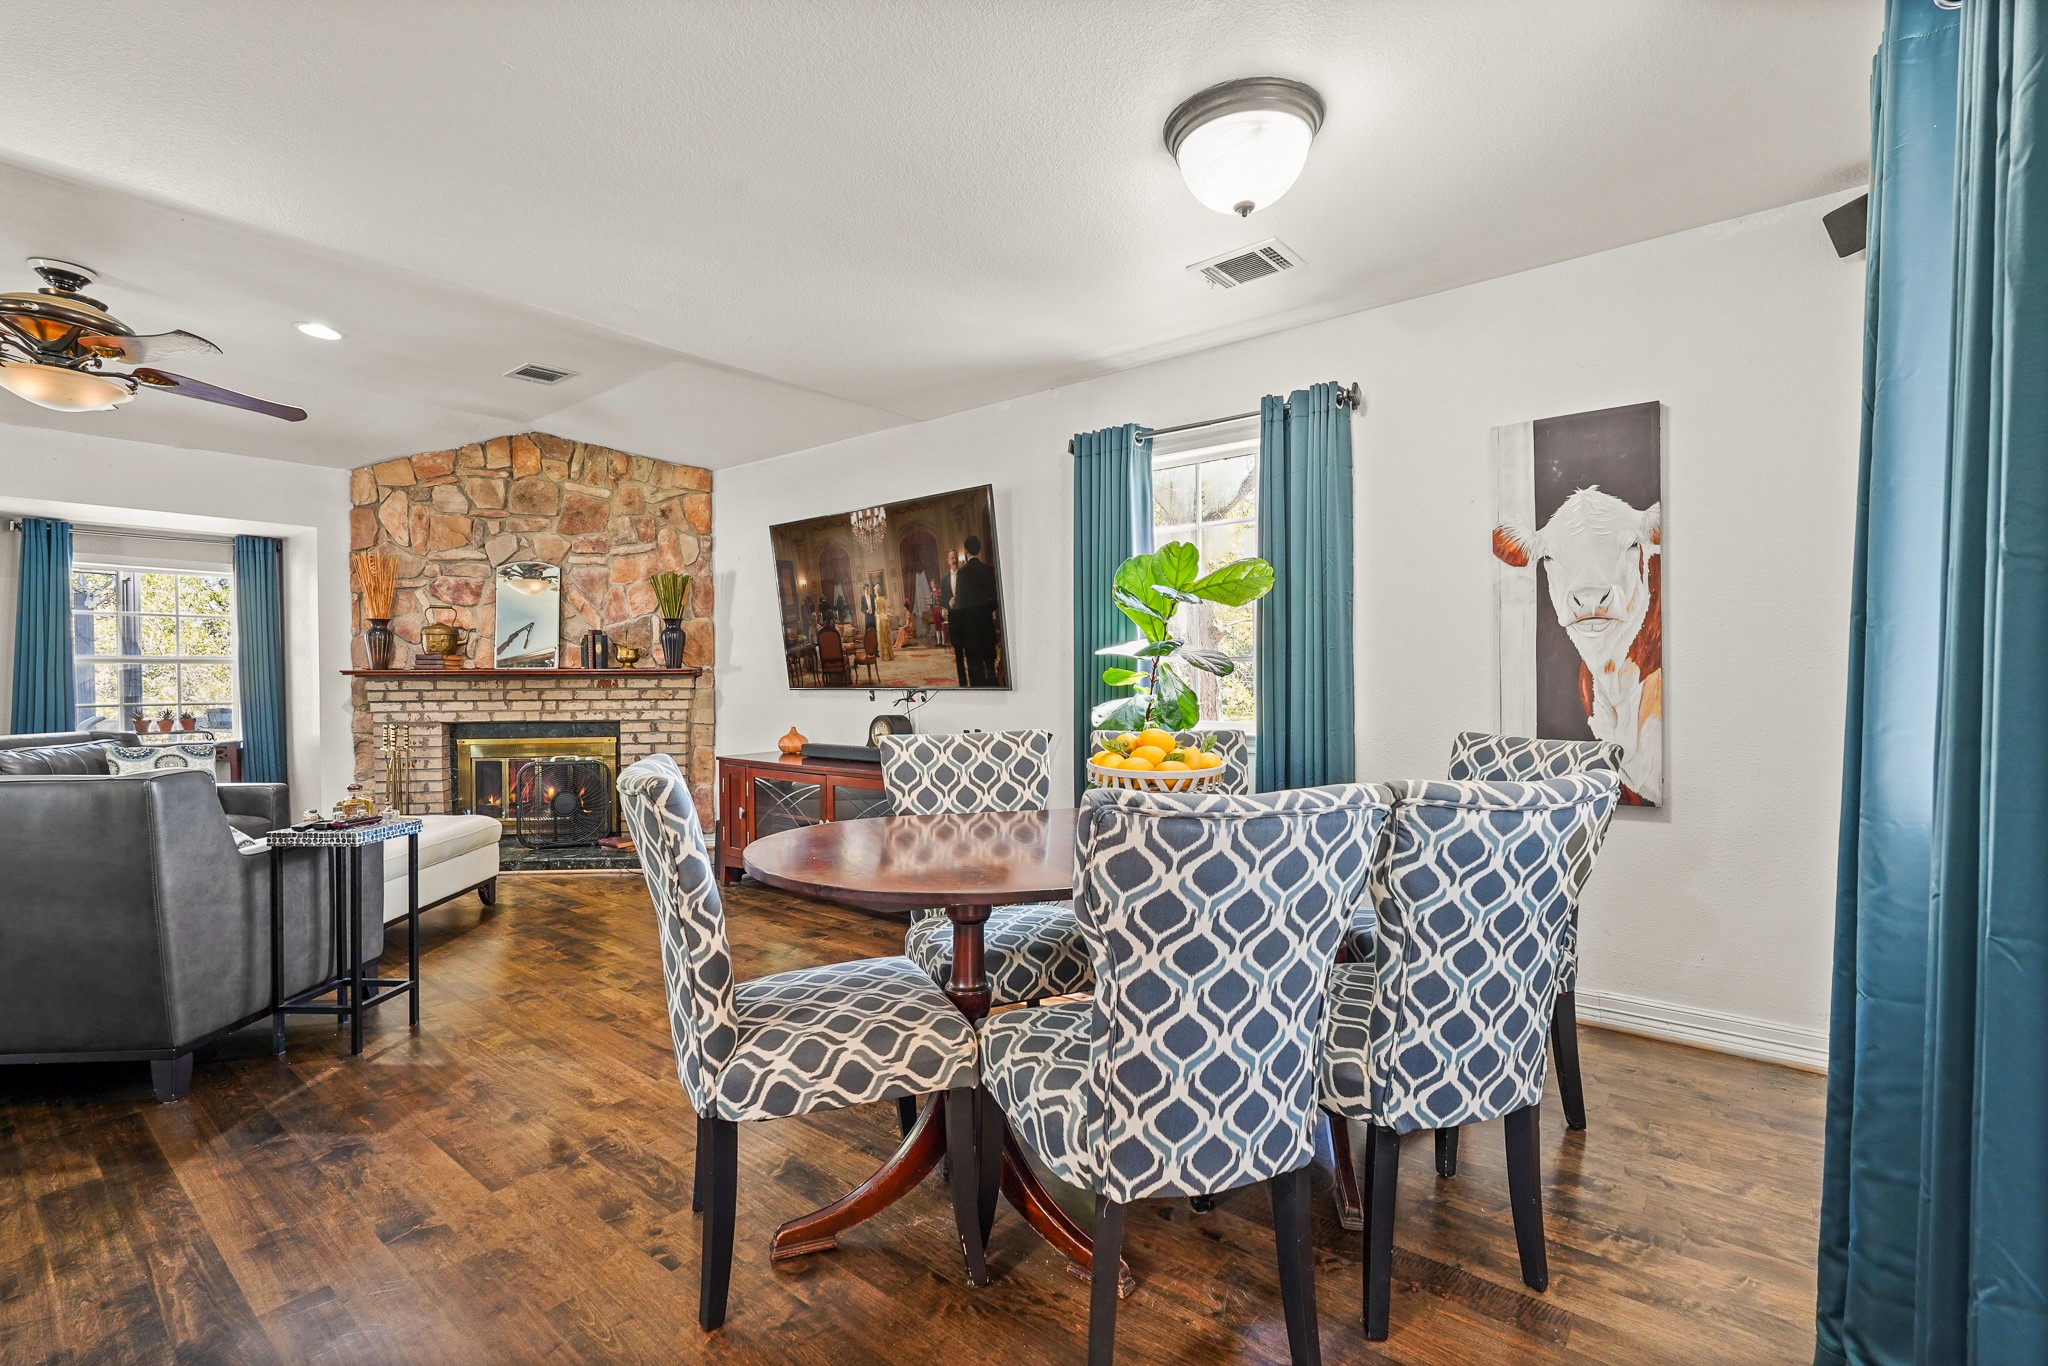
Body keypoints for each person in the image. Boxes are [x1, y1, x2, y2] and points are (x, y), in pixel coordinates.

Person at [949, 535, 1001, 687]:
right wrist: (985, 611)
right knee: (991, 669)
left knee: (976, 673)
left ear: (965, 550)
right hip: (987, 627)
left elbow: (959, 603)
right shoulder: (989, 570)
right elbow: (996, 600)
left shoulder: (963, 573)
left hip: (971, 631)